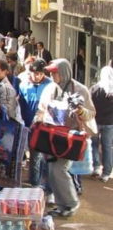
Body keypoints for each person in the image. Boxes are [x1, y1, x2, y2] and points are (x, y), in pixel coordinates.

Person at [39, 59, 96, 217]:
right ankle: (62, 205)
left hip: (70, 137)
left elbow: (91, 113)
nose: (51, 74)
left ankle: (71, 204)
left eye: (54, 72)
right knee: (51, 171)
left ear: (63, 72)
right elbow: (41, 109)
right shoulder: (51, 87)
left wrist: (79, 110)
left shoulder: (79, 89)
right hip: (51, 135)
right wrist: (38, 120)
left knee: (59, 170)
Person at [18, 58, 52, 188]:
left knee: (46, 157)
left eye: (39, 73)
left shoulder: (50, 85)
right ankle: (34, 182)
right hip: (27, 126)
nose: (36, 76)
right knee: (33, 155)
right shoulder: (23, 85)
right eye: (34, 73)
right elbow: (20, 104)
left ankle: (45, 184)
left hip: (45, 126)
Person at [90, 66, 113, 183]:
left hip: (96, 121)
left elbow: (89, 105)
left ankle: (96, 167)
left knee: (94, 144)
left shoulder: (94, 89)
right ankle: (106, 173)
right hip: (109, 122)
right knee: (107, 147)